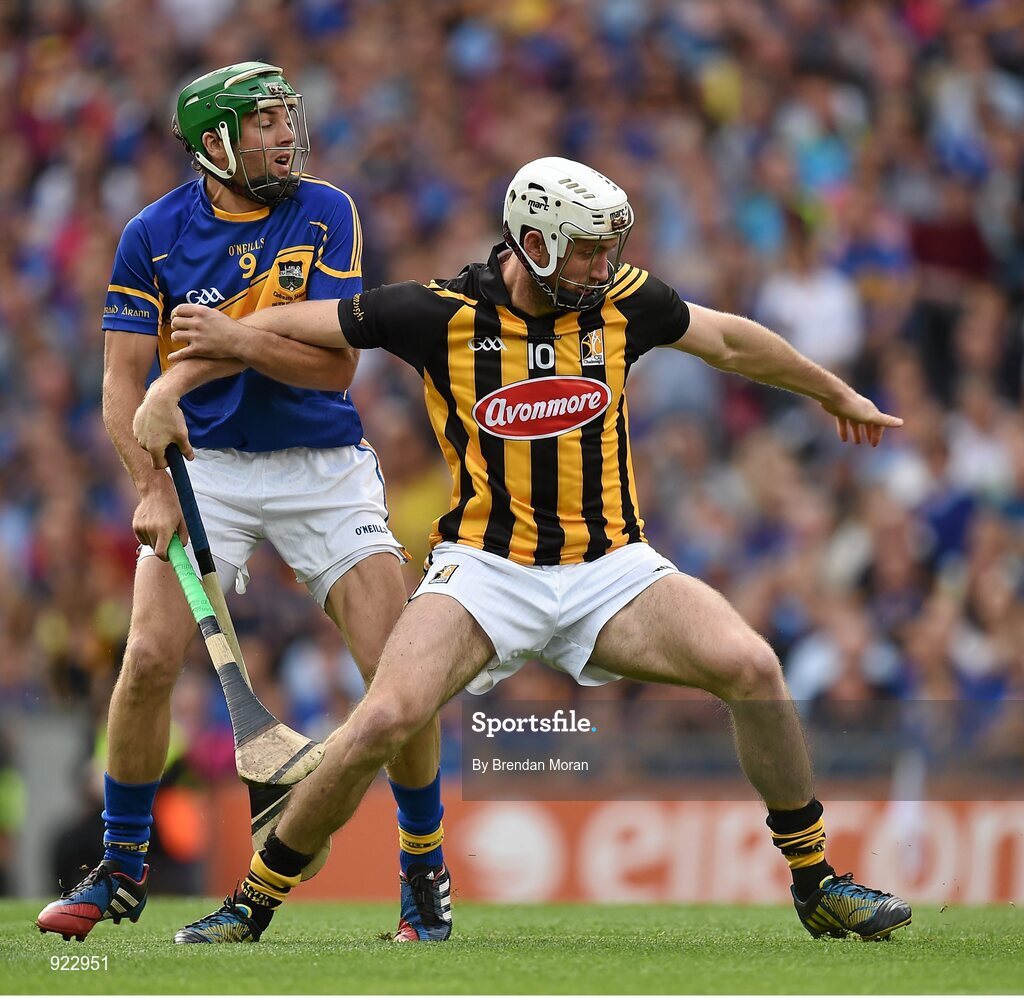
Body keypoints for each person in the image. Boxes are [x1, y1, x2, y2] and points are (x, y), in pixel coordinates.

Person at [151, 156, 912, 944]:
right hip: (484, 570)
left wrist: (833, 392)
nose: (605, 264)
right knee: (384, 718)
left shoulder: (626, 301)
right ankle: (252, 902)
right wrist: (184, 374)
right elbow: (294, 321)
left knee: (752, 667)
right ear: (537, 245)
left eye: (609, 247)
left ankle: (817, 882)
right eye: (587, 249)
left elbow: (727, 341)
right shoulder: (433, 312)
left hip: (611, 568)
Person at [35, 62, 452, 946]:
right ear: (214, 142)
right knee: (147, 659)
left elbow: (335, 364)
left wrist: (226, 342)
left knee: (398, 676)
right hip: (206, 469)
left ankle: (422, 872)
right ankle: (121, 866)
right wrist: (150, 487)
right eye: (262, 123)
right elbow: (119, 383)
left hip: (323, 464)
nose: (283, 136)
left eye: (284, 119)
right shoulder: (151, 235)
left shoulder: (326, 209)